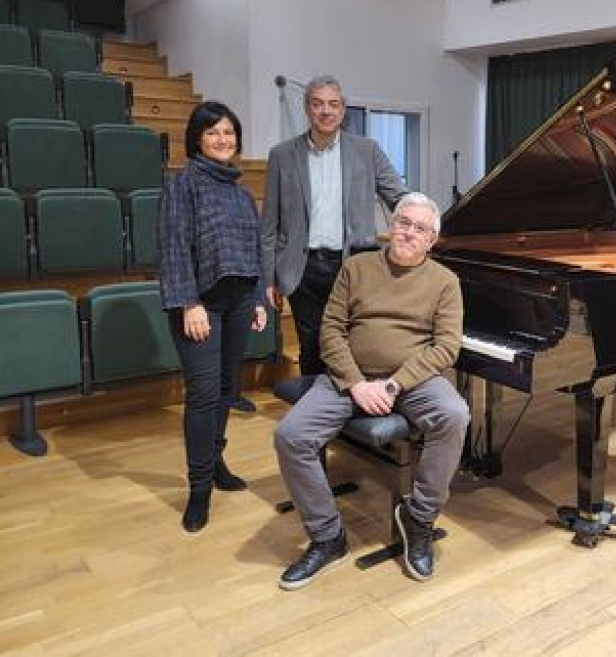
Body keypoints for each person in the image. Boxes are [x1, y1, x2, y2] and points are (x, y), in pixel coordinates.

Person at [274, 192, 467, 588]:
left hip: (411, 380)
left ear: (431, 240)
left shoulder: (446, 282)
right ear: (390, 226)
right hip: (349, 377)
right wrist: (356, 383)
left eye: (420, 228)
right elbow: (331, 330)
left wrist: (395, 384)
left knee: (454, 415)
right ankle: (328, 537)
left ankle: (419, 518)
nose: (408, 232)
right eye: (403, 222)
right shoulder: (356, 268)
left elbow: (446, 347)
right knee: (290, 435)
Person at [158, 101, 268, 533]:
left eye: (229, 132)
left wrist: (257, 299)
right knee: (203, 395)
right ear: (197, 139)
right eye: (213, 133)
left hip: (240, 301)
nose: (223, 140)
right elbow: (173, 248)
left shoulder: (241, 193)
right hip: (200, 304)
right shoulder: (183, 185)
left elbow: (254, 250)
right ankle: (199, 488)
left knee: (226, 389)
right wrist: (189, 303)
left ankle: (216, 460)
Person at [260, 75, 407, 376]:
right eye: (318, 104)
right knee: (312, 346)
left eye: (333, 104)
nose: (326, 111)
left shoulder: (367, 150)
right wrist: (268, 278)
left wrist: (424, 219)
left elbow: (399, 197)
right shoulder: (282, 155)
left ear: (342, 109)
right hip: (302, 269)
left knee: (354, 345)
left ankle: (351, 403)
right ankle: (314, 404)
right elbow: (269, 224)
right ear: (307, 109)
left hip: (353, 265)